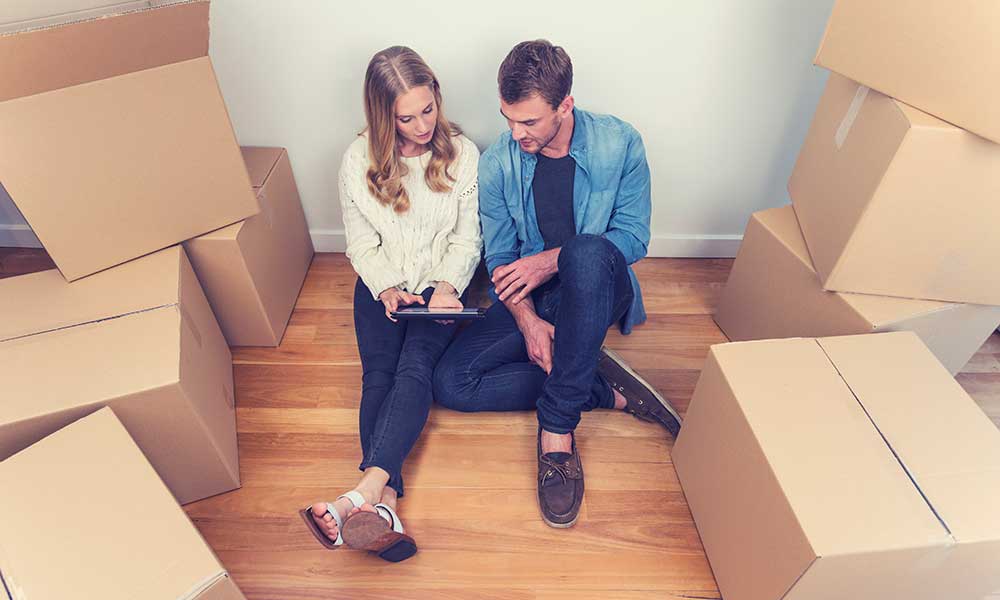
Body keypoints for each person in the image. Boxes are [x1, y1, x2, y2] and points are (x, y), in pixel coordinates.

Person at [433, 40, 681, 529]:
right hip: (530, 296)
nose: (515, 133)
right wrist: (526, 321)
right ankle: (602, 388)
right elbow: (502, 256)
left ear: (565, 105)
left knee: (585, 251)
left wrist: (552, 260)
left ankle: (557, 430)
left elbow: (632, 238)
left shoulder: (620, 142)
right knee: (450, 383)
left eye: (528, 122)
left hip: (601, 285)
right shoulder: (500, 161)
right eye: (508, 118)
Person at [299, 46, 481, 561]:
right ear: (384, 116)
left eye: (429, 109)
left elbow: (469, 239)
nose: (423, 124)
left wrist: (446, 286)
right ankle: (385, 508)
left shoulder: (463, 155)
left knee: (415, 368)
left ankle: (358, 495)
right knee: (378, 375)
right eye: (408, 116)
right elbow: (359, 243)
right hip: (381, 286)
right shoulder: (357, 161)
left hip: (440, 290)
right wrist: (384, 287)